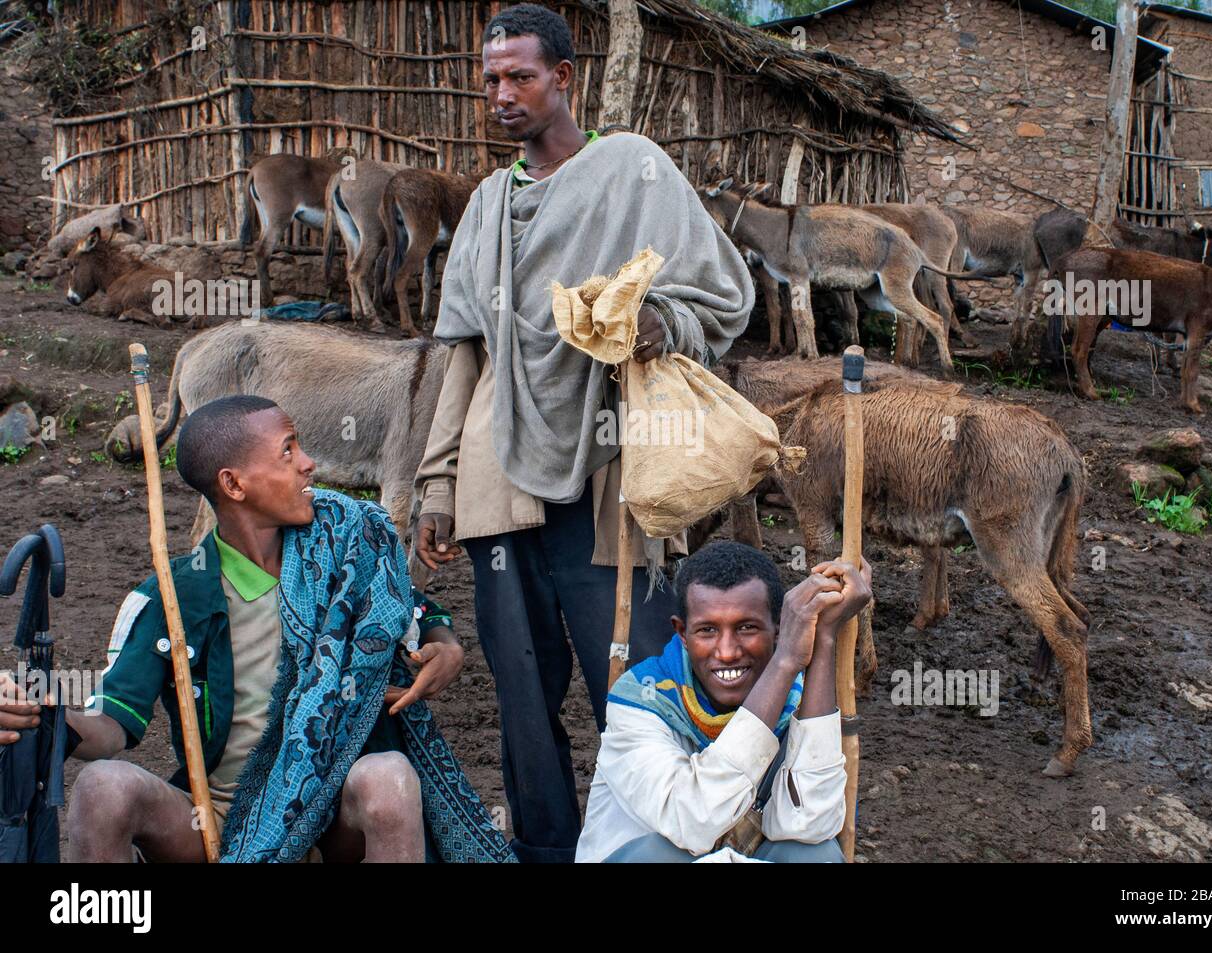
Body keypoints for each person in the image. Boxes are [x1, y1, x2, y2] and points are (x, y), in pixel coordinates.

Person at [412, 4, 754, 863]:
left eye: (520, 75)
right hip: (499, 478)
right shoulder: (490, 204)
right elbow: (462, 355)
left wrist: (650, 324)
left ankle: (655, 841)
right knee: (521, 689)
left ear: (565, 77)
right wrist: (438, 483)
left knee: (634, 673)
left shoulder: (633, 170)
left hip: (608, 469)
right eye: (490, 78)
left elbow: (720, 295)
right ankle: (544, 848)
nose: (502, 94)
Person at [0, 395, 514, 863]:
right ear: (233, 484)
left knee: (391, 777)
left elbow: (412, 611)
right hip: (216, 818)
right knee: (101, 787)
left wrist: (446, 648)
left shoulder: (342, 553)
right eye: (287, 452)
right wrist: (44, 714)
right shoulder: (173, 596)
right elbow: (111, 727)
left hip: (328, 808)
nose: (308, 463)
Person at [576, 541, 871, 863]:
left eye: (747, 627)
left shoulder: (797, 700)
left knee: (817, 854)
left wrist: (825, 636)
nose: (728, 651)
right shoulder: (640, 702)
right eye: (707, 630)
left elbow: (811, 823)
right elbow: (694, 822)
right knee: (659, 852)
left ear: (778, 629)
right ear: (682, 633)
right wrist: (785, 659)